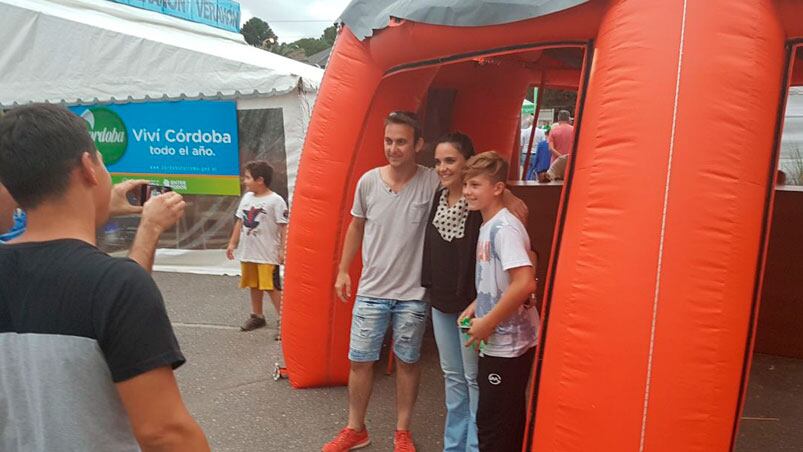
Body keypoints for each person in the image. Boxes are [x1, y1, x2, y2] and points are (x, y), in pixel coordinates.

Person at [0, 104, 209, 451]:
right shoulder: (117, 286)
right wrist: (151, 227)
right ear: (87, 168)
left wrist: (97, 206)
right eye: (102, 161)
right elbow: (164, 432)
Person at [459, 151, 538, 452]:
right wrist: (478, 305)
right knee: (505, 422)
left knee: (493, 427)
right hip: (502, 343)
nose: (467, 191)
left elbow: (524, 281)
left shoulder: (503, 229)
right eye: (466, 184)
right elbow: (499, 282)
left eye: (476, 184)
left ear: (498, 188)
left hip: (508, 346)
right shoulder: (489, 225)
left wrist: (488, 322)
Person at [421, 132, 482, 451]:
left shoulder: (479, 202)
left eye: (450, 161)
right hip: (441, 301)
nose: (442, 168)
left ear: (467, 162)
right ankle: (453, 446)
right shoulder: (438, 197)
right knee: (453, 377)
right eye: (438, 162)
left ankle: (474, 446)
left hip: (471, 305)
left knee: (472, 379)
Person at [0, 178, 185, 272]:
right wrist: (150, 228)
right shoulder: (28, 261)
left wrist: (101, 208)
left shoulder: (21, 236)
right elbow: (126, 294)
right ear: (88, 167)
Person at [226, 160, 288, 334]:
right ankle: (257, 315)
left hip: (267, 253)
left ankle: (284, 320)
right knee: (253, 284)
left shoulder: (276, 201)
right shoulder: (247, 198)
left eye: (247, 178)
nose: (244, 181)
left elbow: (284, 226)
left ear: (260, 180)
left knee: (271, 286)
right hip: (248, 252)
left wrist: (283, 250)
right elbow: (240, 220)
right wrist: (232, 243)